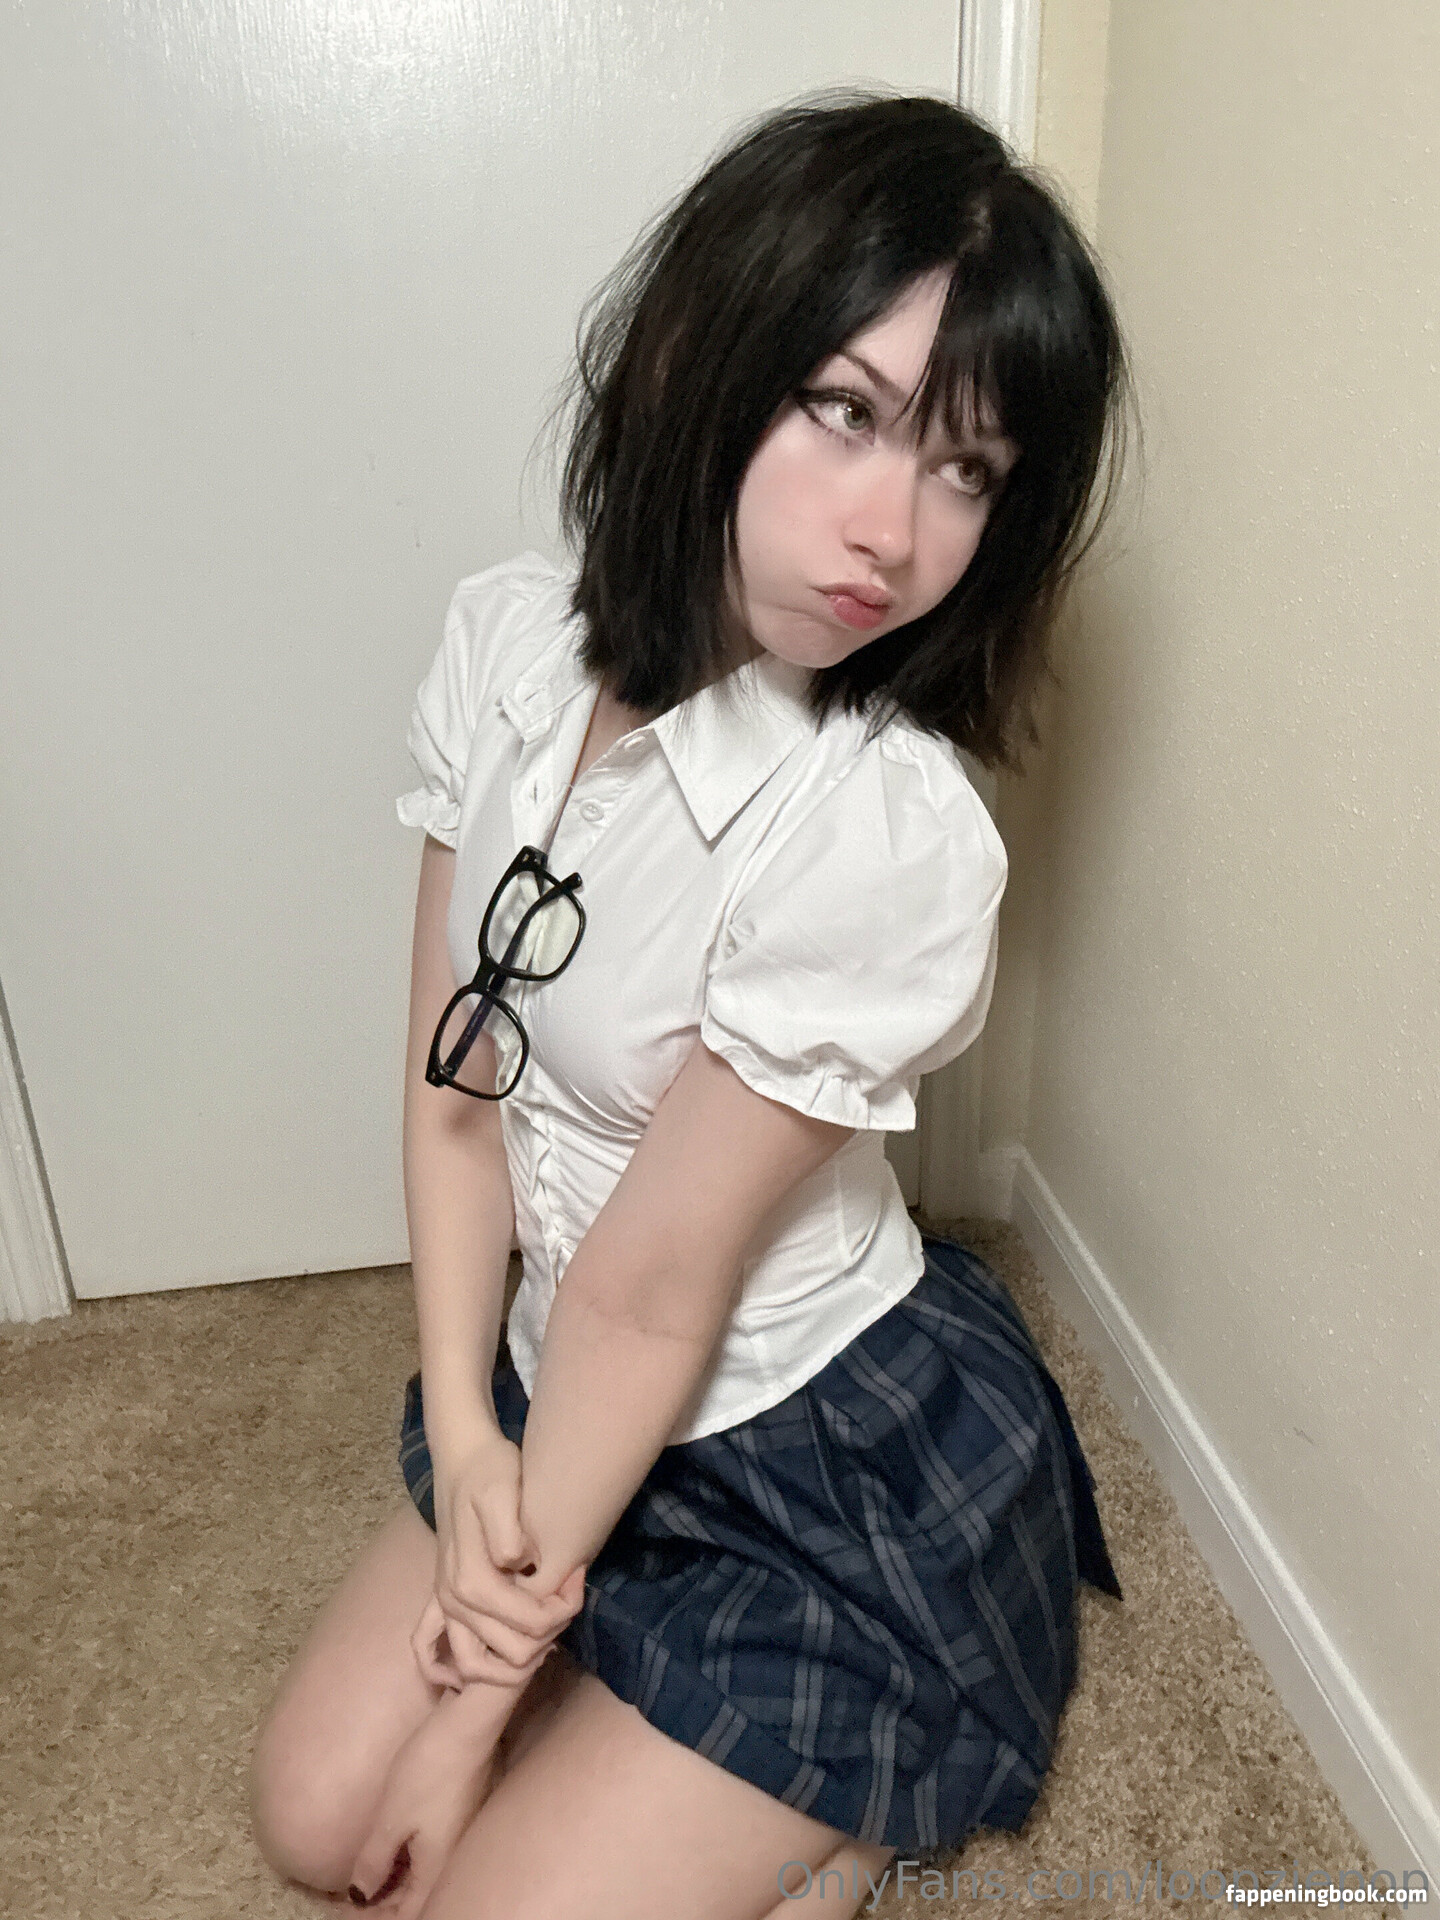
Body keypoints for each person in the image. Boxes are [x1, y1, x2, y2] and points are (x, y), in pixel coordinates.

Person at [248, 88, 1131, 1920]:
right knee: (312, 1825)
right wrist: (467, 1430)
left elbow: (654, 1294)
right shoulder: (509, 647)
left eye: (969, 470)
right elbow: (453, 1096)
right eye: (847, 412)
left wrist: (468, 1724)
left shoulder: (883, 838)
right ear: (694, 359)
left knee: (454, 1880)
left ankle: (834, 1811)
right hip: (558, 1377)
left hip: (800, 1439)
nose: (895, 530)